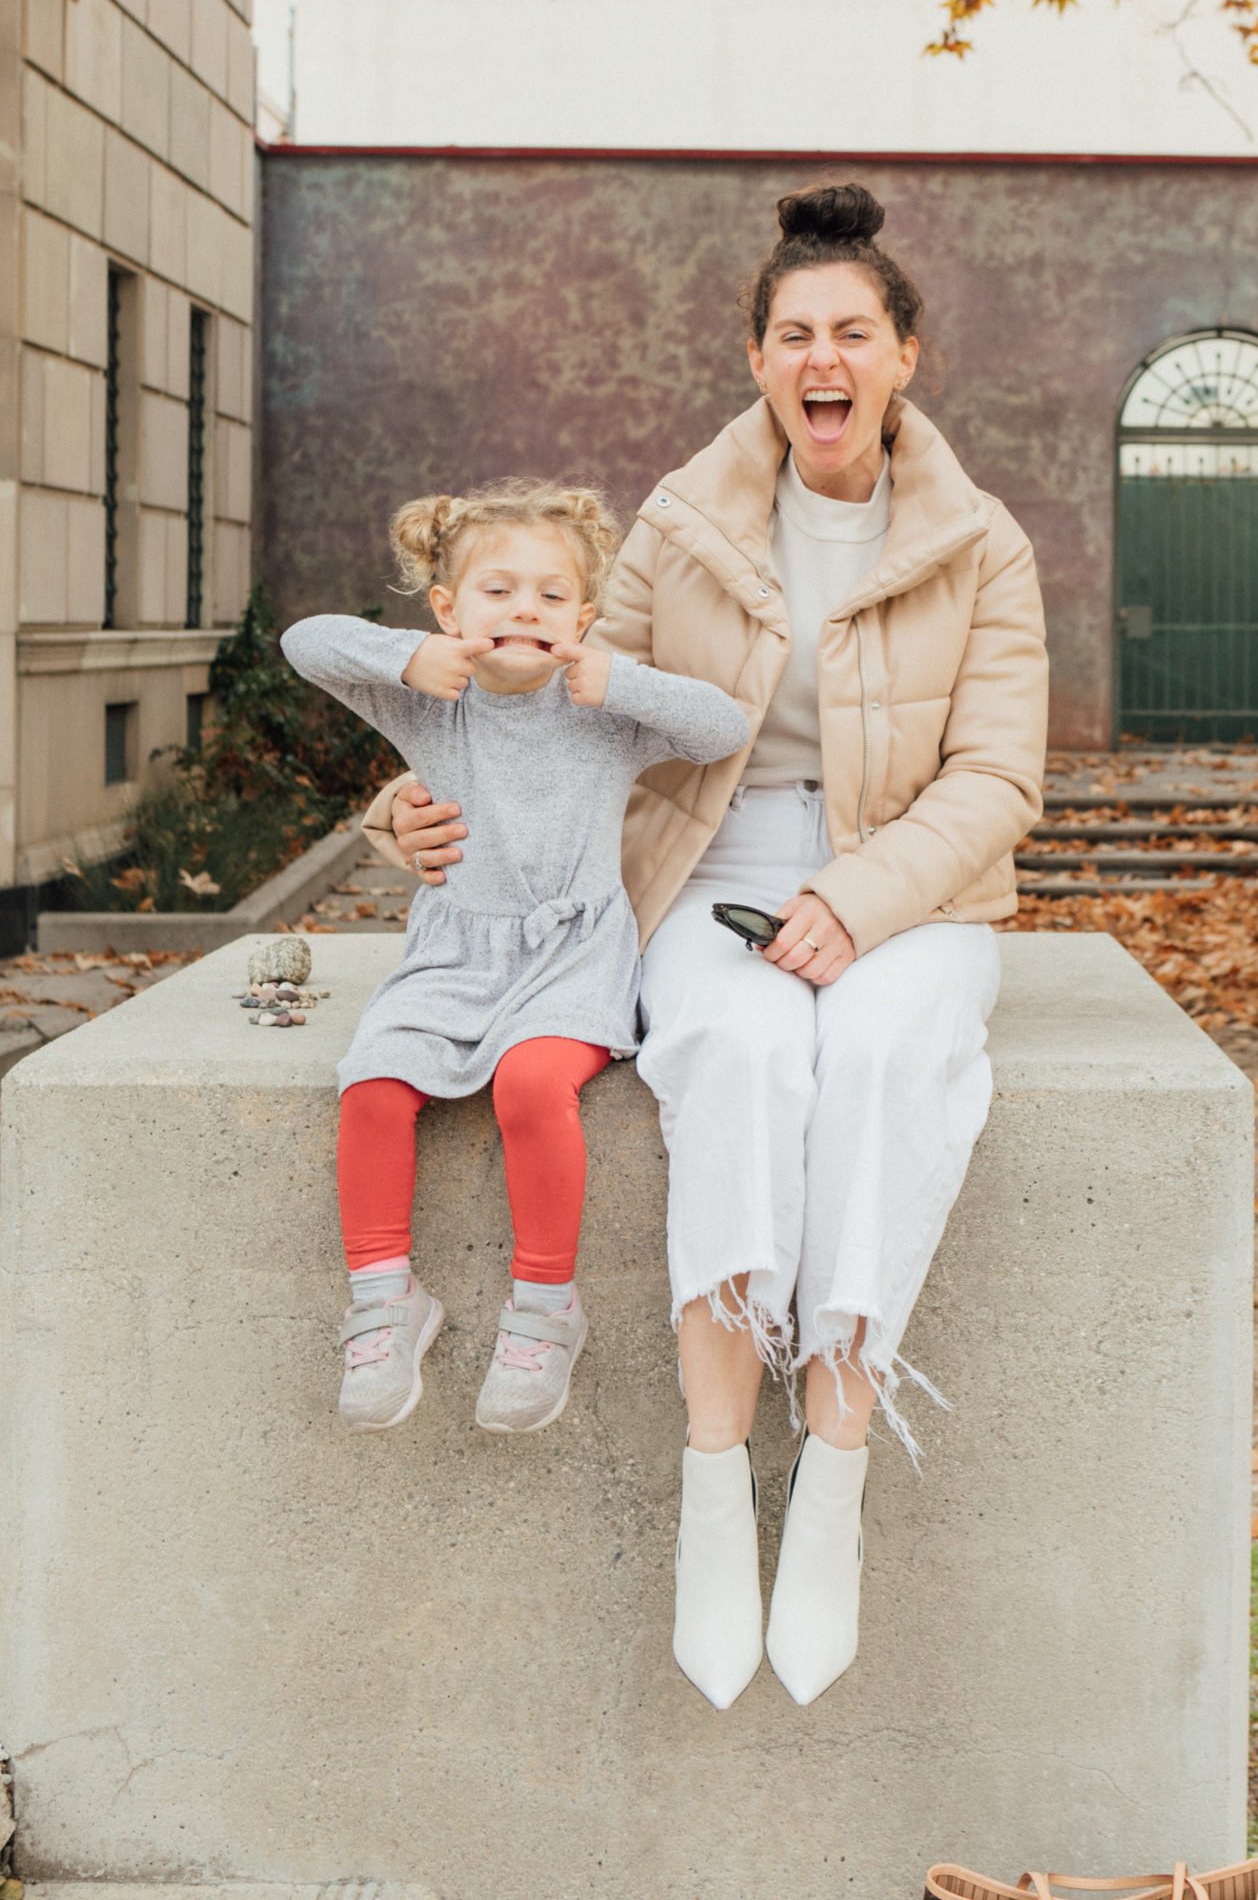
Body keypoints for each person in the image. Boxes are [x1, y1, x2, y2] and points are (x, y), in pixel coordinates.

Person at [368, 184, 1049, 1707]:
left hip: (911, 885)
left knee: (883, 1056)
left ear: (905, 357)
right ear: (756, 359)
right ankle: (713, 1480)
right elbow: (537, 699)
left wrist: (861, 899)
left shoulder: (980, 543)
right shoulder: (677, 524)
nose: (824, 359)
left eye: (853, 333)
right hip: (705, 869)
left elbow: (1001, 776)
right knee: (733, 1050)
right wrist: (404, 814)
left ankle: (834, 1472)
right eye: (794, 333)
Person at [282, 477, 749, 1437]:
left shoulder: (598, 706)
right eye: (497, 591)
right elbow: (305, 642)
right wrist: (409, 656)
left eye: (549, 594)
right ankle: (384, 1301)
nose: (524, 609)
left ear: (582, 616)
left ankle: (543, 1311)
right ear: (449, 609)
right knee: (372, 1083)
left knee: (532, 1085)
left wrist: (617, 677)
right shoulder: (431, 704)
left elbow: (722, 728)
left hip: (573, 956)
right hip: (453, 953)